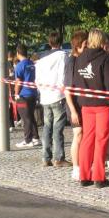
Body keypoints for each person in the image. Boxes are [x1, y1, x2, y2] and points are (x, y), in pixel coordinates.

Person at [72, 28, 109, 186]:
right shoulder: (106, 58)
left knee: (87, 139)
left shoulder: (80, 58)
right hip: (102, 105)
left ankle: (84, 176)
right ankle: (99, 177)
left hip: (85, 104)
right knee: (101, 140)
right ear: (102, 40)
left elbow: (76, 81)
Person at [35, 31, 71, 167]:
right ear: (61, 42)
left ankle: (45, 157)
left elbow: (37, 79)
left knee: (47, 127)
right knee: (58, 128)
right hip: (57, 95)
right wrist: (63, 89)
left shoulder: (41, 59)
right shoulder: (63, 56)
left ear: (49, 43)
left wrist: (42, 91)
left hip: (45, 96)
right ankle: (59, 158)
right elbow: (63, 75)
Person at [65, 30, 88, 179]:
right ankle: (76, 167)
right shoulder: (71, 62)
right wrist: (73, 110)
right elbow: (67, 89)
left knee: (84, 135)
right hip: (73, 104)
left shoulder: (81, 59)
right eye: (86, 44)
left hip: (83, 103)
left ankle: (84, 164)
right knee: (78, 134)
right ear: (80, 44)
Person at [13, 44, 39, 148]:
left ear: (18, 53)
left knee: (25, 118)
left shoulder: (19, 66)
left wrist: (16, 94)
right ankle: (35, 138)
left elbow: (18, 81)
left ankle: (28, 140)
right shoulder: (31, 63)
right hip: (33, 93)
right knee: (31, 116)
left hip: (23, 95)